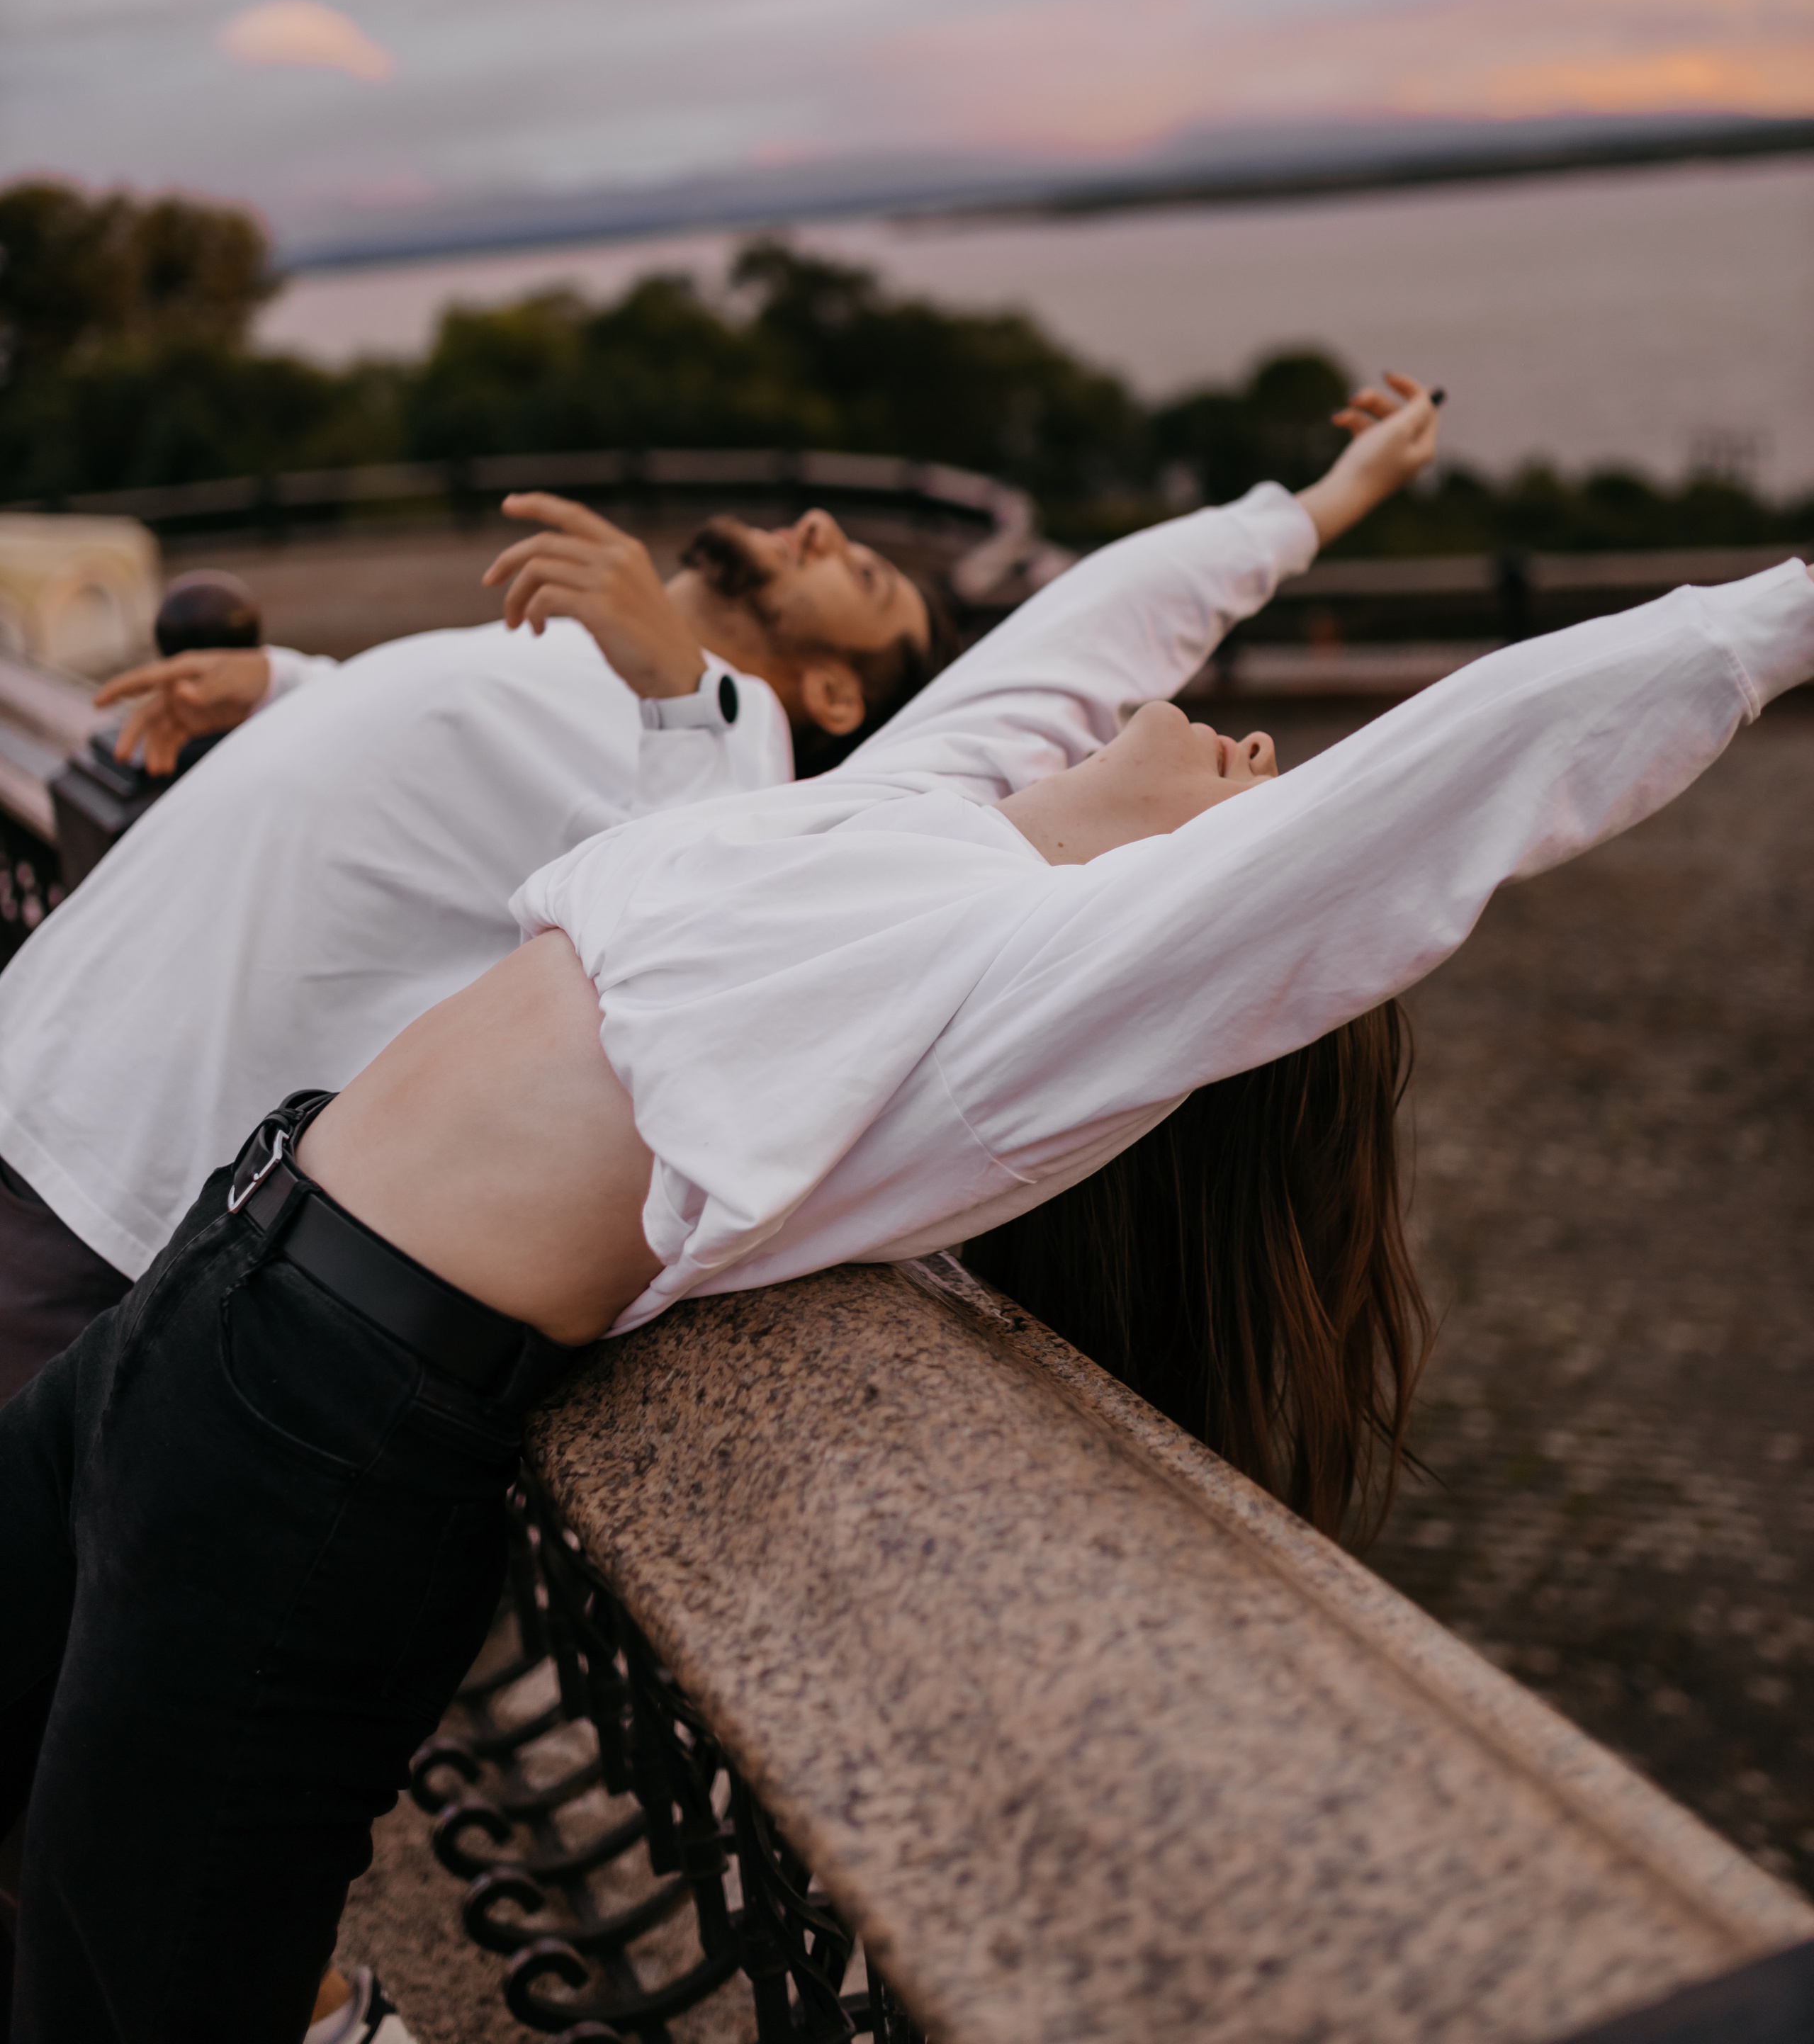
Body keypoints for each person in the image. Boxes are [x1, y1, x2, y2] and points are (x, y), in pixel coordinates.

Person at [13, 377, 1812, 2041]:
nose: (1243, 739)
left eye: (1261, 783)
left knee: (149, 1989)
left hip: (321, 1427)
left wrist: (1776, 611)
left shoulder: (1016, 995)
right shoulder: (904, 817)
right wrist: (1322, 497)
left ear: (1210, 887)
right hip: (213, 1287)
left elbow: (1463, 774)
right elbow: (1089, 632)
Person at [0, 492, 942, 1402]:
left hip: (97, 1186)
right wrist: (283, 683)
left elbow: (687, 956)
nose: (820, 526)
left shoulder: (725, 768)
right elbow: (459, 752)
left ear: (833, 692)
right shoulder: (622, 682)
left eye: (862, 573)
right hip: (48, 1072)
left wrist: (686, 698)